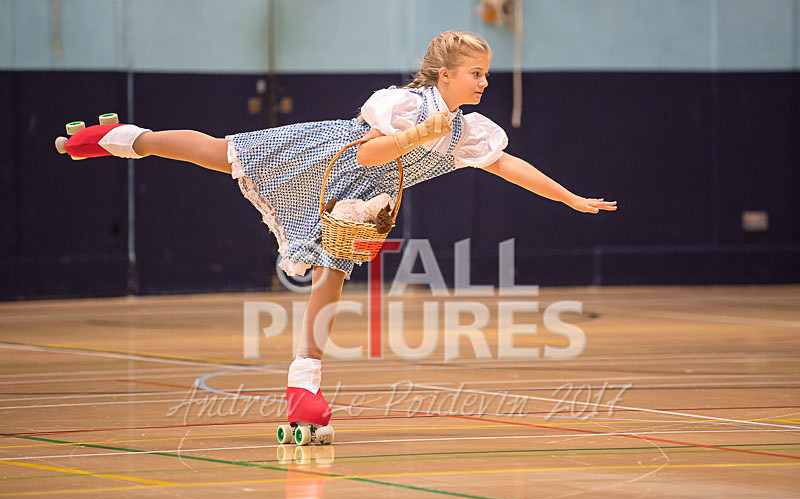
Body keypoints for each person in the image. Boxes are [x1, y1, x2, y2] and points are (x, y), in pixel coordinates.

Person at [57, 30, 617, 440]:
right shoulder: (409, 105)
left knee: (335, 272)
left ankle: (304, 387)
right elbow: (369, 151)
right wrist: (422, 130)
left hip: (357, 199)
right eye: (477, 73)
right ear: (446, 75)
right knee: (222, 154)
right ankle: (122, 136)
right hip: (325, 157)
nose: (485, 81)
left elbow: (509, 166)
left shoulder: (469, 131)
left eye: (486, 73)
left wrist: (569, 197)